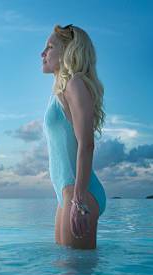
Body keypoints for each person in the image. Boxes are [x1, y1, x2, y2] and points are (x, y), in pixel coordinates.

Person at [41, 24, 106, 250]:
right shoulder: (57, 92)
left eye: (49, 47)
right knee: (66, 270)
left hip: (79, 193)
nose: (43, 53)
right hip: (66, 193)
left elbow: (86, 144)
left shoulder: (74, 84)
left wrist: (79, 201)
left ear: (68, 51)